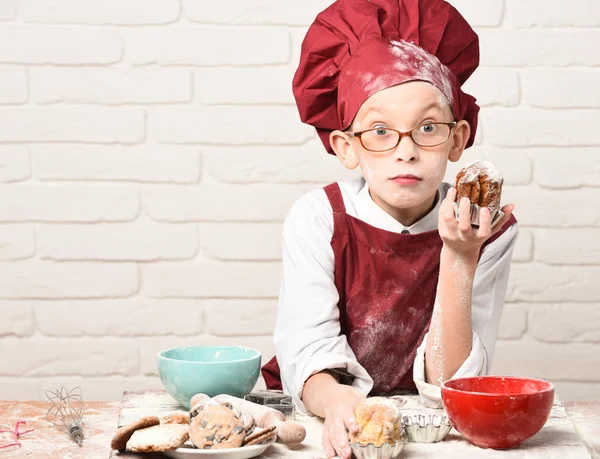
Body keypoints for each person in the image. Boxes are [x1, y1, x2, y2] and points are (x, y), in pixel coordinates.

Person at [261, 0, 518, 457]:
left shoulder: (484, 229)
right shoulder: (319, 218)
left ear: (457, 139)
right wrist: (341, 401)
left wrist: (460, 256)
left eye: (427, 127)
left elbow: (452, 385)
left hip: (427, 427)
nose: (406, 151)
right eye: (380, 130)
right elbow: (308, 353)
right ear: (346, 147)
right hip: (318, 410)